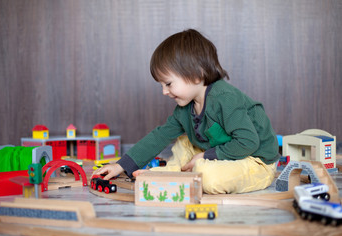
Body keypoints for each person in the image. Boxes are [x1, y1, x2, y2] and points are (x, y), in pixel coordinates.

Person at [92, 29, 280, 194]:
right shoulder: (184, 108)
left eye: (168, 84)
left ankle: (195, 170)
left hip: (255, 160)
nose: (164, 92)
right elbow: (160, 136)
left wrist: (206, 156)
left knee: (209, 178)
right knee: (183, 141)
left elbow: (248, 142)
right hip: (225, 151)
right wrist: (121, 165)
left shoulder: (225, 98)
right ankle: (178, 171)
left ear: (196, 75)